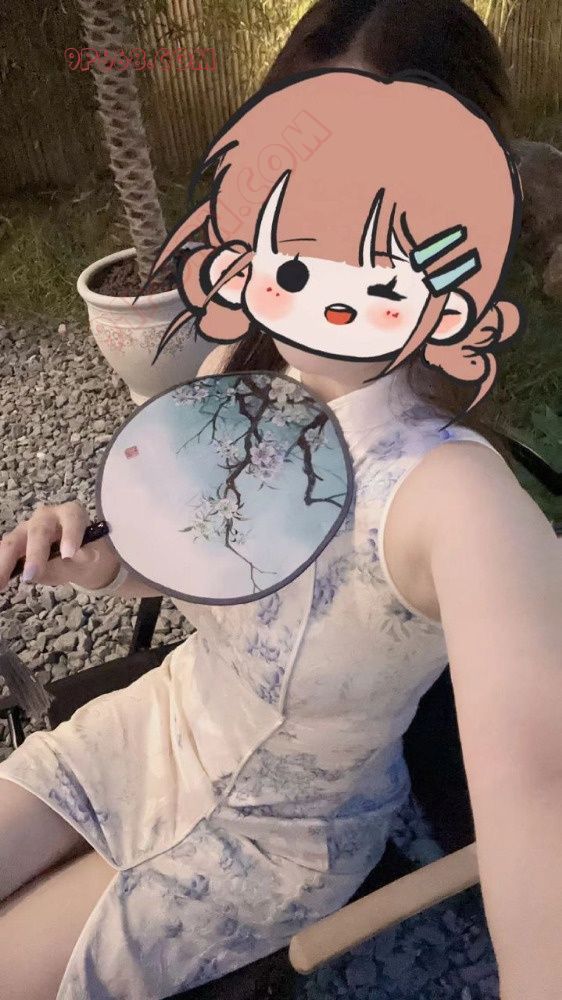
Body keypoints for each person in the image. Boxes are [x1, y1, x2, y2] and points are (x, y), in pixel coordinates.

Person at [0, 8, 560, 1000]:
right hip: (165, 718)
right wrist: (106, 563)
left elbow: (540, 799)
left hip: (276, 829)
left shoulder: (456, 499)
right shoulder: (242, 361)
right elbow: (204, 557)